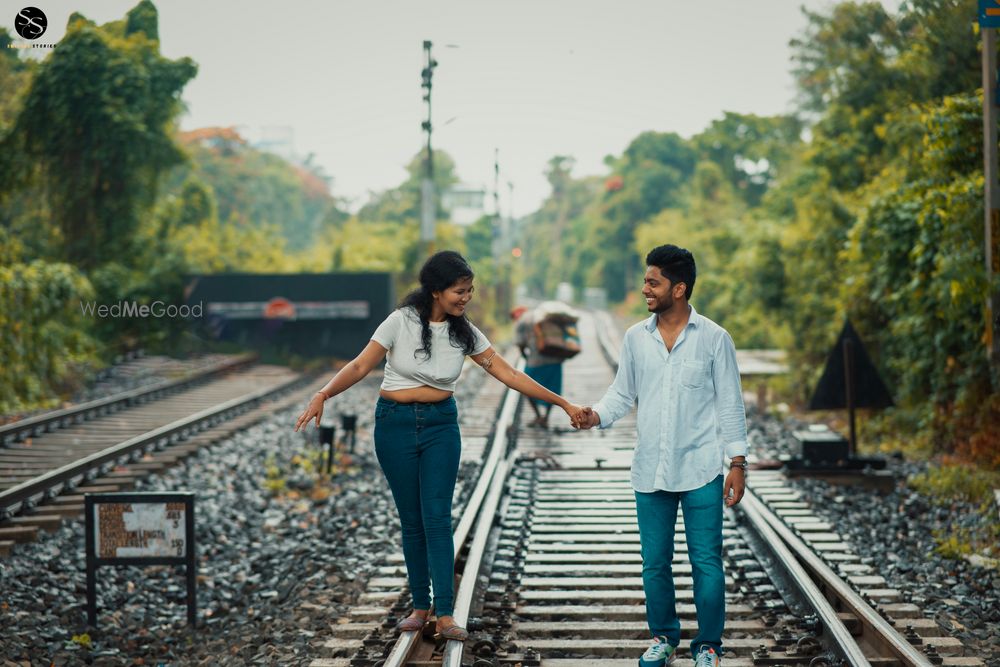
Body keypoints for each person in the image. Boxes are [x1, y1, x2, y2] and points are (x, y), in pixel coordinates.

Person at [294, 251, 585, 641]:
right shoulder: (400, 322)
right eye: (459, 291)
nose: (466, 298)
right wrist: (323, 393)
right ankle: (419, 606)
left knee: (437, 517)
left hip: (439, 427)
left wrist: (563, 402)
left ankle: (445, 613)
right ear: (435, 290)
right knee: (411, 520)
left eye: (469, 291)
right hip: (393, 426)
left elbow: (510, 373)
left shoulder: (466, 333)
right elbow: (361, 365)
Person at [574, 244, 748, 667]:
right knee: (655, 563)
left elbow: (730, 404)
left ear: (680, 288)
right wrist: (595, 415)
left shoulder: (713, 338)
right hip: (650, 469)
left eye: (654, 282)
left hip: (702, 468)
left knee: (706, 561)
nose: (645, 289)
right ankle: (664, 637)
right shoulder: (636, 337)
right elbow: (623, 393)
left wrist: (737, 463)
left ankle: (708, 645)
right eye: (646, 281)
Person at [513, 302, 575, 428]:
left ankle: (538, 416)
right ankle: (546, 417)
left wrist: (525, 356)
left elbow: (520, 344)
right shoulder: (546, 316)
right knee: (553, 389)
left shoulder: (523, 321)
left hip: (535, 361)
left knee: (526, 388)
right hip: (555, 360)